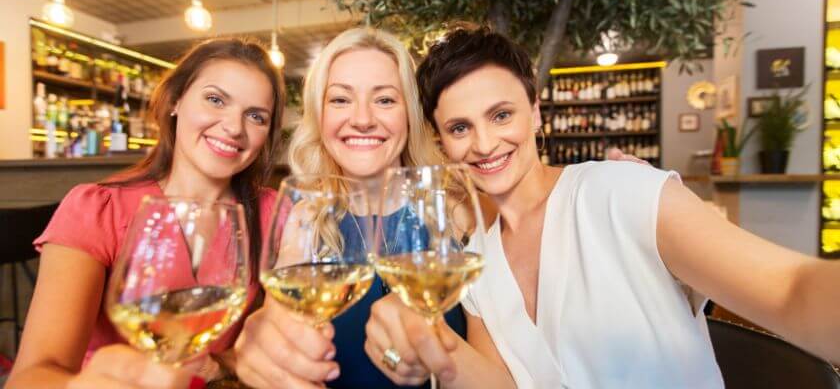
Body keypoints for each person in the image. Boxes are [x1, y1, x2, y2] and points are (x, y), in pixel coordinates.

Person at [365, 27, 840, 388]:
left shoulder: (622, 191)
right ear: (443, 143)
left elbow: (790, 288)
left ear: (535, 112)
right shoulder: (476, 262)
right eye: (460, 128)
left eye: (501, 115)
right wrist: (429, 340)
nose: (485, 143)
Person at [7, 38, 285, 389]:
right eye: (215, 100)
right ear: (175, 101)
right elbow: (30, 377)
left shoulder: (273, 211)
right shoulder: (97, 209)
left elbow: (276, 345)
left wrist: (219, 366)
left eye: (256, 116)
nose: (234, 127)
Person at [232, 27, 467, 389]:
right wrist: (262, 345)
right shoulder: (304, 216)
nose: (362, 119)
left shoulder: (455, 212)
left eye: (385, 100)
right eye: (340, 100)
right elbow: (279, 323)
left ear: (410, 113)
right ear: (319, 115)